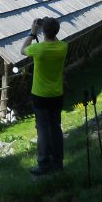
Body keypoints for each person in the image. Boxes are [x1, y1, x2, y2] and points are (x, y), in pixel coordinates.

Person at [20, 17, 68, 175]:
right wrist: (51, 30)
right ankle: (58, 163)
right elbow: (56, 39)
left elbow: (23, 50)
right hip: (57, 94)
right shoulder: (63, 47)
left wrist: (33, 33)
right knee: (55, 127)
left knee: (42, 129)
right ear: (57, 31)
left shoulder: (38, 49)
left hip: (40, 95)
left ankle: (43, 164)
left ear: (43, 31)